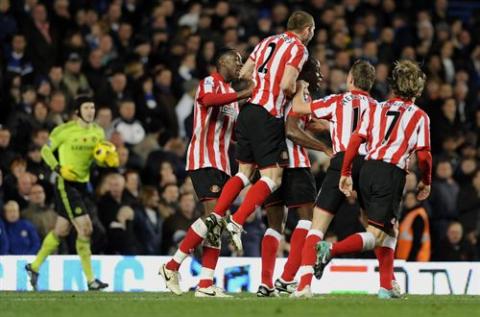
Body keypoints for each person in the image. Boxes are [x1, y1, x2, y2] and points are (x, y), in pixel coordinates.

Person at [319, 60, 432, 299]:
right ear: (418, 89)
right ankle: (330, 250)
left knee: (390, 230)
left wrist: (347, 172)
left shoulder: (377, 108)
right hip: (390, 173)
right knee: (377, 233)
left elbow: (355, 141)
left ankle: (386, 287)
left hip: (367, 169)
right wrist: (426, 181)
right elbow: (424, 156)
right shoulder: (419, 116)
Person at [205, 11, 315, 254]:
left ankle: (216, 216)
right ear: (307, 29)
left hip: (248, 112)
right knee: (272, 178)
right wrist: (291, 91)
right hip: (268, 115)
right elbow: (287, 83)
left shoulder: (266, 41)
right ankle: (237, 219)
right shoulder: (299, 48)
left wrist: (262, 84)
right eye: (312, 31)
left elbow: (244, 74)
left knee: (244, 172)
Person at [159, 47, 253, 297]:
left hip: (222, 164)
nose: (239, 66)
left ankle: (204, 284)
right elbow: (207, 101)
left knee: (217, 224)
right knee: (215, 218)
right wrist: (244, 94)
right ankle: (171, 266)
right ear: (221, 62)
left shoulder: (232, 95)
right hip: (203, 160)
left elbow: (232, 135)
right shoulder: (209, 82)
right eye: (236, 61)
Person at [290, 59, 378, 298]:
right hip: (370, 168)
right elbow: (363, 131)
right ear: (370, 83)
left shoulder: (338, 101)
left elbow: (298, 107)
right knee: (377, 230)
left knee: (317, 227)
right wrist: (332, 127)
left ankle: (303, 287)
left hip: (341, 163)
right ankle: (387, 284)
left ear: (350, 80)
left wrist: (300, 86)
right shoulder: (378, 108)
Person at [25, 95, 119, 291]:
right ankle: (91, 280)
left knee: (61, 230)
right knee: (86, 229)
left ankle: (33, 267)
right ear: (77, 111)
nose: (90, 111)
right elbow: (45, 151)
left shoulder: (98, 132)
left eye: (92, 108)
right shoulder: (64, 130)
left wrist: (107, 161)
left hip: (84, 186)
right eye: (86, 108)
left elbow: (97, 158)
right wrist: (58, 169)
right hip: (66, 184)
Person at [258, 57, 331, 297]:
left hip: (271, 162)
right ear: (305, 72)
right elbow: (291, 130)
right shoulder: (302, 89)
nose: (320, 76)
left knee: (274, 224)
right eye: (317, 70)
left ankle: (265, 283)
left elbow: (294, 123)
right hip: (295, 163)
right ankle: (287, 278)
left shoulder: (279, 92)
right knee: (308, 220)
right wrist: (324, 148)